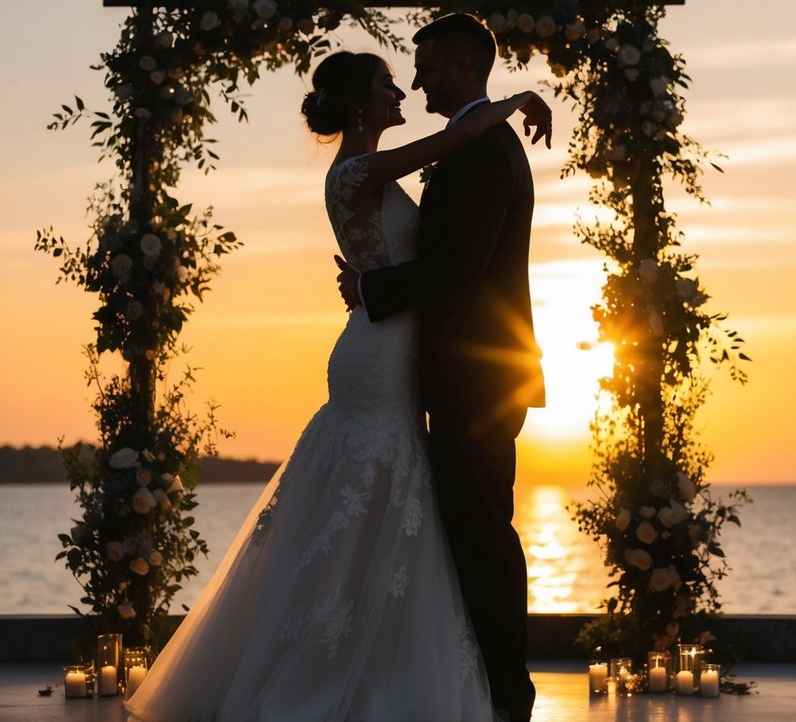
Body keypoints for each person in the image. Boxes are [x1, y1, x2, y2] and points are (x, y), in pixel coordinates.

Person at [125, 46, 551, 722]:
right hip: (378, 353)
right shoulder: (358, 168)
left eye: (406, 75)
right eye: (388, 83)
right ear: (358, 103)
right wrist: (519, 100)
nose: (400, 89)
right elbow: (460, 134)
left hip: (394, 342)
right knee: (364, 495)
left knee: (389, 501)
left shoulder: (368, 169)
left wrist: (370, 282)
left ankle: (371, 647)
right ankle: (320, 658)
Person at [336, 15, 547, 722]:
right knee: (470, 530)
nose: (414, 79)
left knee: (482, 534)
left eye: (423, 68)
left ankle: (505, 696)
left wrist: (372, 289)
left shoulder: (481, 152)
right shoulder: (475, 141)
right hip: (464, 375)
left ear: (459, 69)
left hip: (475, 380)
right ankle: (483, 686)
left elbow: (459, 266)